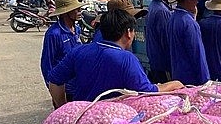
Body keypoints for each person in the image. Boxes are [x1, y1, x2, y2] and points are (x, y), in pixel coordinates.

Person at [48, 9, 183, 106]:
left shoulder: (78, 51)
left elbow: (54, 80)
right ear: (128, 33)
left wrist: (63, 106)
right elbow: (146, 92)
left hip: (82, 117)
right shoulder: (127, 59)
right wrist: (174, 84)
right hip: (110, 123)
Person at [40, 0, 83, 106]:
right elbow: (47, 64)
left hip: (78, 85)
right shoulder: (53, 34)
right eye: (76, 9)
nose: (80, 11)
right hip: (64, 88)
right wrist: (53, 91)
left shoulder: (77, 29)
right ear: (65, 13)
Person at [168, 0, 210, 85]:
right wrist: (205, 80)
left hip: (178, 74)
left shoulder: (173, 18)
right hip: (192, 77)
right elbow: (197, 53)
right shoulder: (189, 23)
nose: (197, 2)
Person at [145, 0, 177, 84]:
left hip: (156, 59)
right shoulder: (162, 11)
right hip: (163, 62)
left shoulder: (154, 5)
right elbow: (166, 40)